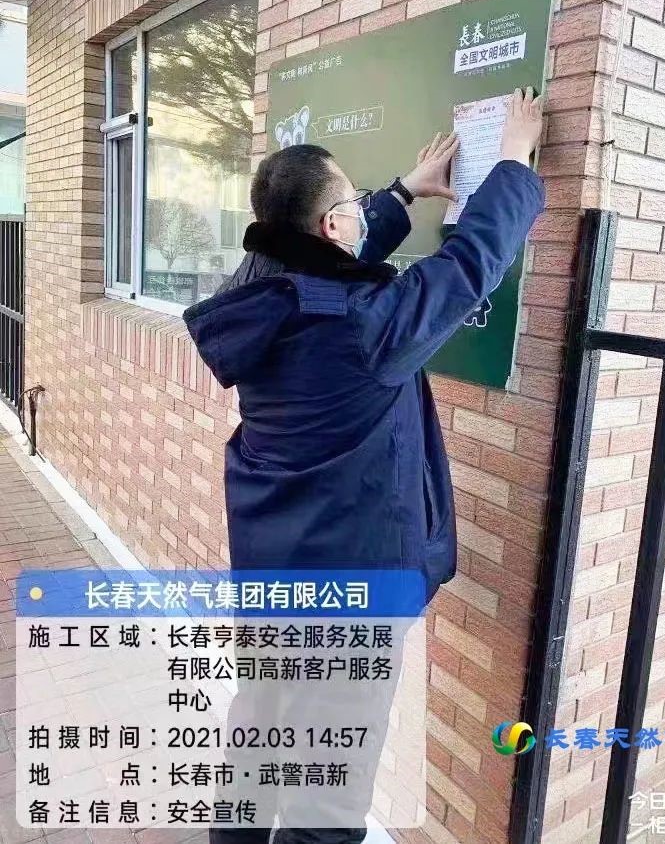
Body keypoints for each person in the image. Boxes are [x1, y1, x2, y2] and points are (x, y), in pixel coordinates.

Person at [182, 86, 545, 843]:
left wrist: (406, 193)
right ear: (329, 224)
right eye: (352, 203)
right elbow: (467, 267)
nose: (358, 213)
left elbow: (327, 268)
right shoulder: (363, 327)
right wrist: (512, 165)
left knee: (259, 733)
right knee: (327, 796)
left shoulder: (259, 291)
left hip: (274, 570)